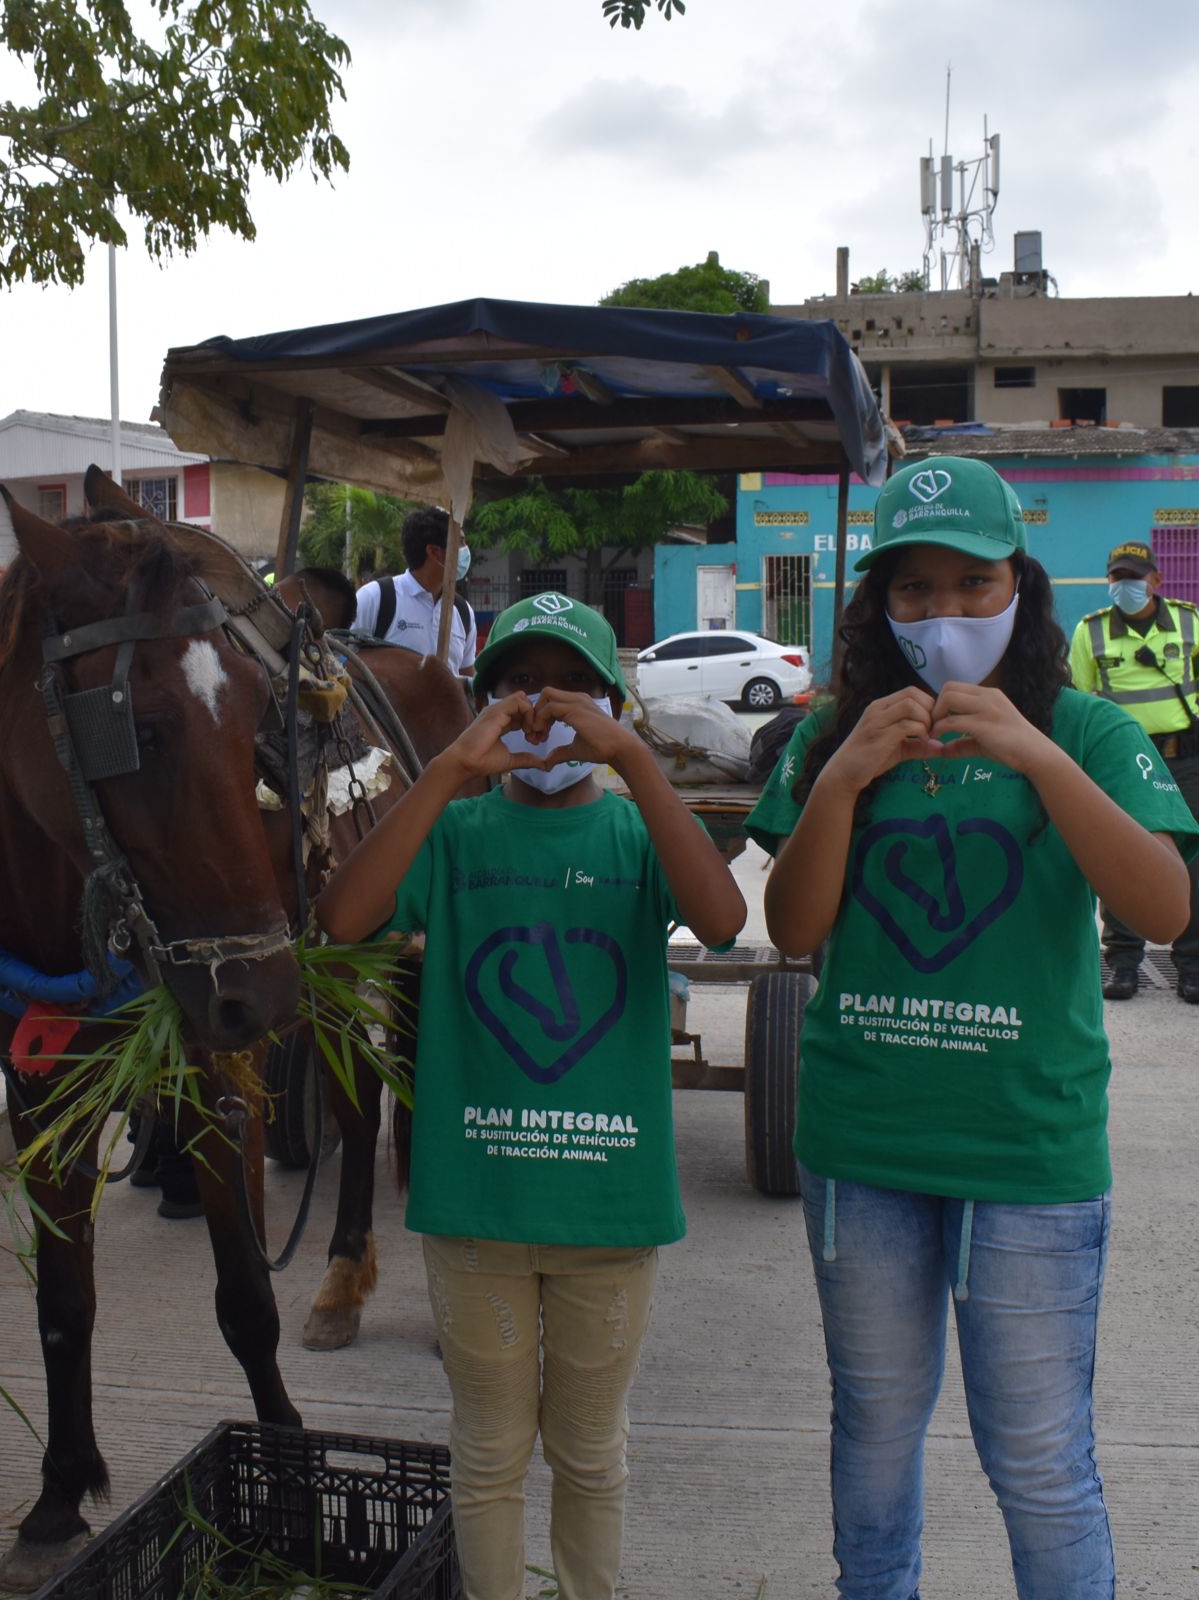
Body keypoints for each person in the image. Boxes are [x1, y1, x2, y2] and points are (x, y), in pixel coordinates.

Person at [746, 456, 1198, 1600]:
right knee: (875, 1433)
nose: (944, 614)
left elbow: (1161, 905)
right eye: (914, 590)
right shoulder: (834, 737)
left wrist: (1035, 753)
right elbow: (794, 929)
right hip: (864, 1149)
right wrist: (843, 780)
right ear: (877, 605)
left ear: (1021, 588)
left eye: (972, 583)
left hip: (1028, 1156)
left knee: (1041, 1459)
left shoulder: (1085, 729)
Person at [318, 592, 745, 1600]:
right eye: (515, 686)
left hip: (609, 1213)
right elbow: (343, 916)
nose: (543, 709)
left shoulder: (639, 838)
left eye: (572, 687)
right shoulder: (457, 834)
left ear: (611, 704)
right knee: (489, 1451)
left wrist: (637, 760)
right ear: (482, 705)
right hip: (477, 1212)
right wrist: (445, 772)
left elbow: (723, 918)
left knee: (593, 1452)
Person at [1068, 541, 1199, 1005]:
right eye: (1117, 577)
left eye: (1133, 577)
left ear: (1156, 581)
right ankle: (1124, 964)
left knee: (1188, 858)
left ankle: (1191, 965)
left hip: (1183, 758)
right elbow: (1078, 697)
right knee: (1121, 855)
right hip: (1122, 763)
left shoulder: (1188, 622)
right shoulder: (1091, 632)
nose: (1124, 585)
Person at [352, 506, 476, 676]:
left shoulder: (463, 611)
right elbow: (345, 664)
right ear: (434, 552)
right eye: (460, 542)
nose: (466, 550)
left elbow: (467, 678)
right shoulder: (375, 598)